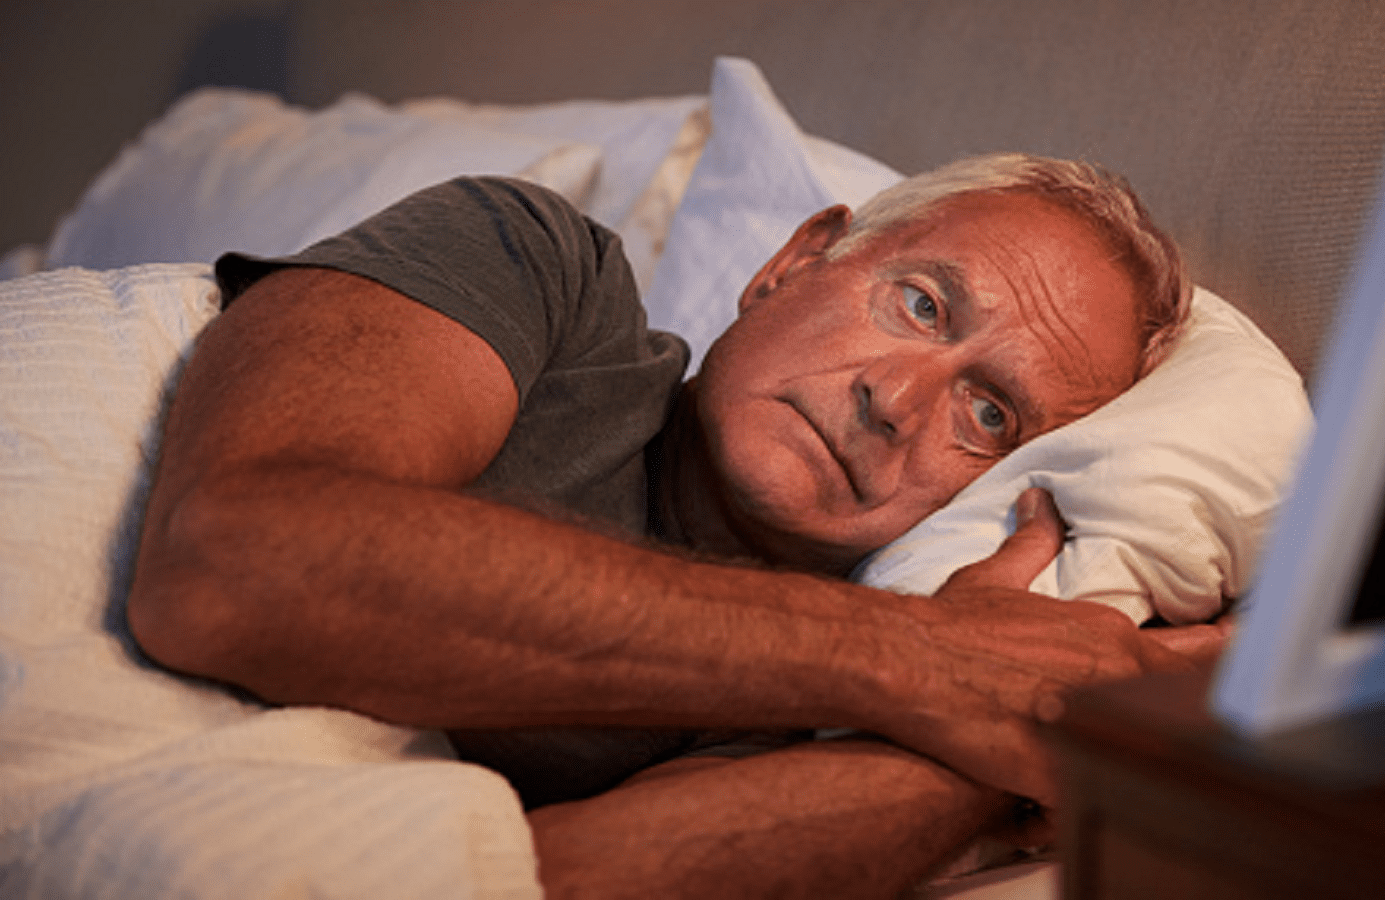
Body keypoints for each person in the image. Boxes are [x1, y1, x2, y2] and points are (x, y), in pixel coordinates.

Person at [126, 152, 1228, 897]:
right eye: (920, 304)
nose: (894, 403)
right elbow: (232, 560)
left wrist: (1013, 743)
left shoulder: (838, 718)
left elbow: (531, 886)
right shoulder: (539, 268)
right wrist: (921, 661)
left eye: (989, 415)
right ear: (793, 263)